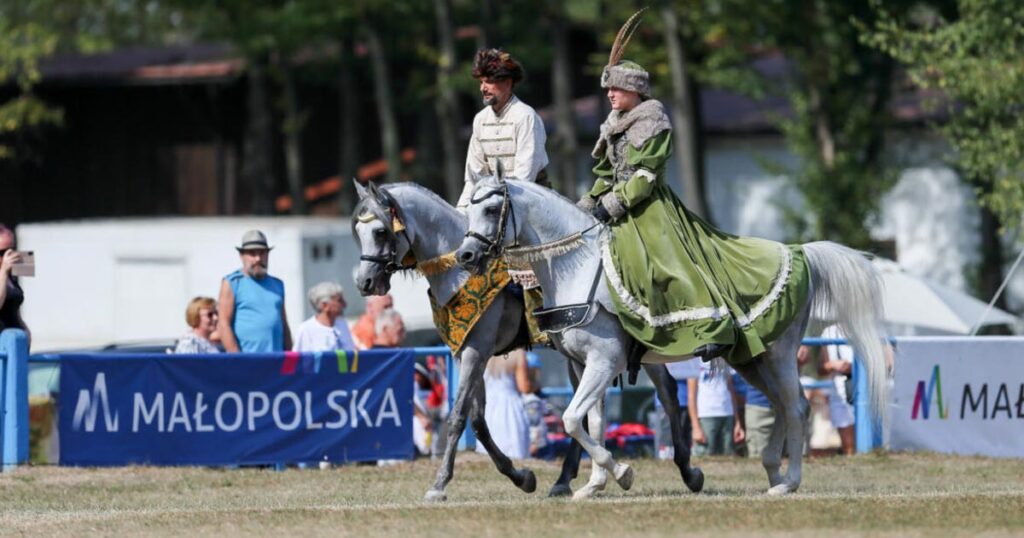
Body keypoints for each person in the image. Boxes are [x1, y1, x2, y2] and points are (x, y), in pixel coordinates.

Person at [576, 11, 810, 368]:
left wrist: (612, 204)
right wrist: (588, 201)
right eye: (608, 88)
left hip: (650, 209)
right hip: (616, 208)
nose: (610, 94)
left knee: (670, 265)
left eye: (617, 88)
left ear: (635, 91)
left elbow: (644, 177)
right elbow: (608, 172)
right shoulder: (614, 125)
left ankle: (712, 326)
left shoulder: (652, 122)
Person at [458, 48, 550, 211]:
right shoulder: (480, 120)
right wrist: (462, 212)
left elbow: (524, 179)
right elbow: (474, 177)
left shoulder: (526, 117)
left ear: (507, 82)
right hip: (494, 203)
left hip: (533, 204)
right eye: (481, 82)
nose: (483, 88)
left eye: (489, 82)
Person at [218, 230, 292, 353]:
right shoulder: (232, 283)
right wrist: (237, 358)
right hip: (248, 360)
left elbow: (283, 323)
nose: (258, 258)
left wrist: (289, 355)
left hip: (276, 359)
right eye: (252, 253)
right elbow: (223, 324)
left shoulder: (277, 284)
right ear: (242, 256)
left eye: (262, 253)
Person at [475, 353, 531, 460]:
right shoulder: (518, 354)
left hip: (488, 406)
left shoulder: (483, 352)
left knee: (488, 453)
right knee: (515, 451)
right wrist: (535, 383)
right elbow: (524, 386)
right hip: (510, 407)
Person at [687, 361, 745, 456]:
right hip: (706, 416)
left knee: (728, 457)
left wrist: (737, 422)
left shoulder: (723, 359)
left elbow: (731, 390)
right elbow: (691, 396)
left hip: (727, 414)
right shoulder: (695, 362)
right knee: (705, 457)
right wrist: (695, 427)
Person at [818, 326, 855, 455]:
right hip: (839, 391)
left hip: (864, 389)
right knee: (849, 447)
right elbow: (821, 368)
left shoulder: (871, 328)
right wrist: (833, 365)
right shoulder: (828, 332)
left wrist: (855, 367)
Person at [293, 281, 355, 352]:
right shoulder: (306, 330)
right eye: (339, 301)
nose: (344, 304)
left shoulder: (342, 324)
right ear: (324, 305)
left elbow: (351, 354)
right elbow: (299, 360)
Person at [516, 351, 549, 457]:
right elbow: (535, 424)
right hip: (529, 443)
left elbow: (536, 423)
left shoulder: (533, 398)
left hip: (533, 444)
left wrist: (534, 443)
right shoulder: (529, 398)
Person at [0, 225, 29, 342]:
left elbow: (14, 308)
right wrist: (3, 271)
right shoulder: (5, 272)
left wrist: (24, 328)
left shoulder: (11, 276)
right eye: (3, 252)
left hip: (15, 341)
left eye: (12, 250)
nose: (9, 256)